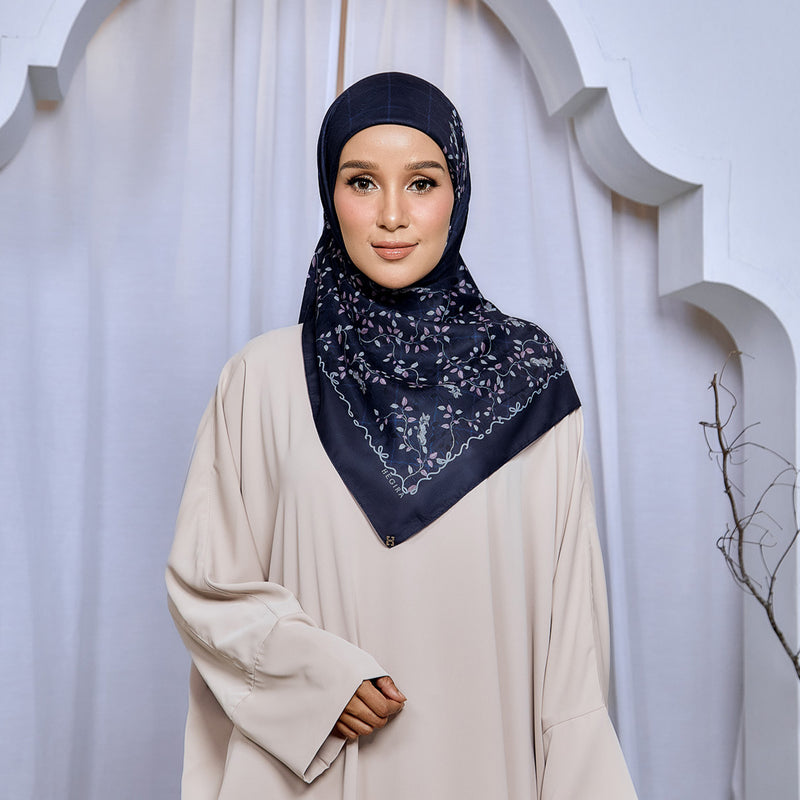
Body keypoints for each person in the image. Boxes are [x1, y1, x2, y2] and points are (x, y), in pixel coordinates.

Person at [166, 72, 637, 799]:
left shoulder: (530, 381)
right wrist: (316, 682)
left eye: (421, 183)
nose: (392, 215)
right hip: (315, 769)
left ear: (458, 194)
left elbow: (571, 636)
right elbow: (207, 585)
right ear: (330, 195)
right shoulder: (263, 379)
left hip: (486, 768)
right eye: (362, 182)